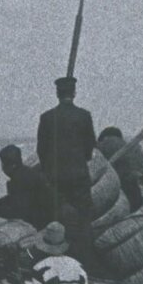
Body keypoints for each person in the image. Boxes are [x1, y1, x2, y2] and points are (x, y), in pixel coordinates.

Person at [35, 75, 96, 262]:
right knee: (83, 221)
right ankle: (83, 262)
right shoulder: (84, 116)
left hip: (54, 178)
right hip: (78, 177)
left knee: (56, 219)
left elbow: (41, 150)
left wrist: (49, 169)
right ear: (74, 93)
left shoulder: (46, 118)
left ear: (57, 94)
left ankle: (55, 259)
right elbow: (89, 147)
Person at [96, 126, 143, 212]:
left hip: (126, 184)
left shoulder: (101, 145)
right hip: (142, 180)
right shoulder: (131, 145)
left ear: (103, 137)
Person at [0, 144, 55, 227]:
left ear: (12, 166)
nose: (2, 168)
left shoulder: (20, 180)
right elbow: (14, 198)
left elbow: (18, 212)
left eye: (3, 164)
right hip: (46, 217)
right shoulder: (25, 173)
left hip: (43, 222)